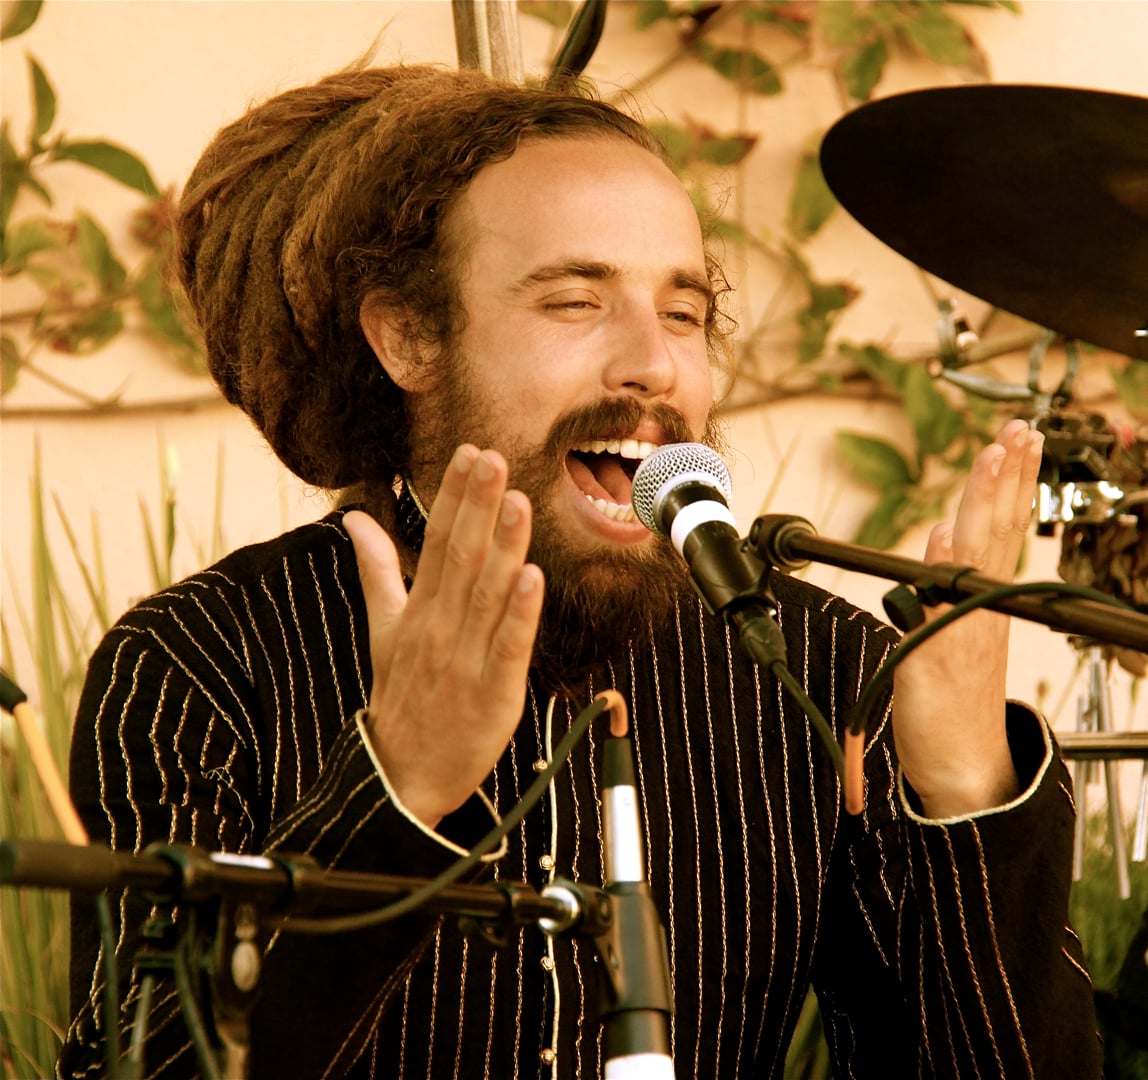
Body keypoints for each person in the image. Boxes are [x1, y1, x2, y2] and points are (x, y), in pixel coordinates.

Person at [59, 63, 1101, 1079]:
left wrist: (969, 794)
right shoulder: (203, 662)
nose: (653, 363)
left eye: (683, 314)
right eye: (574, 302)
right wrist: (394, 789)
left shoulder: (815, 670)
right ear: (408, 338)